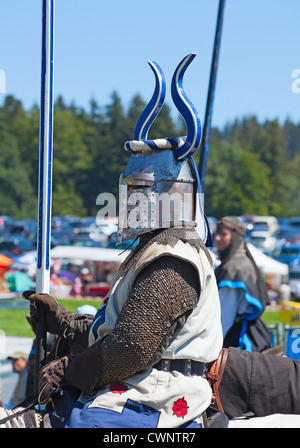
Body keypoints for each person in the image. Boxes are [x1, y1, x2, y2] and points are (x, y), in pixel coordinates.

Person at [214, 216, 272, 353]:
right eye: (217, 233)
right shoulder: (231, 263)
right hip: (239, 336)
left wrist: (210, 348)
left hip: (240, 342)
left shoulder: (235, 267)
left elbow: (224, 317)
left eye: (223, 234)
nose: (217, 238)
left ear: (235, 237)